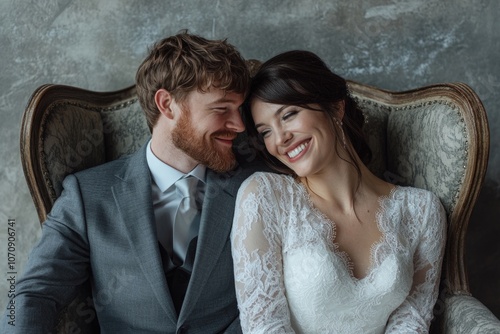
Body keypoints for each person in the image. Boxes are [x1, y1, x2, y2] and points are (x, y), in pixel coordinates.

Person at [2, 31, 262, 333]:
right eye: (221, 109)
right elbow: (35, 293)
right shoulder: (86, 196)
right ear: (167, 104)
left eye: (239, 109)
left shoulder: (255, 184)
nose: (239, 125)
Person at [231, 50, 447, 333]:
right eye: (265, 132)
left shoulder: (422, 210)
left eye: (289, 115)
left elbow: (412, 319)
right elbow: (264, 325)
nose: (280, 139)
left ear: (335, 108)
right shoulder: (265, 197)